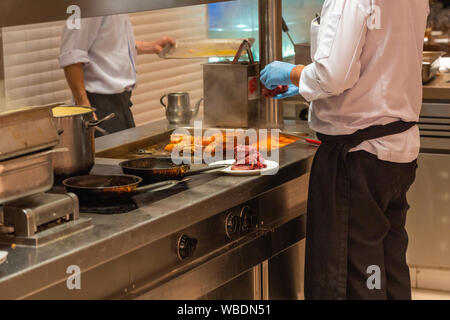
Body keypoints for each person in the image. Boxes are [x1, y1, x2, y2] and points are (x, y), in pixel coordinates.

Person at [260, 0, 429, 299]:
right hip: (395, 151)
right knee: (385, 268)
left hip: (358, 159)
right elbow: (379, 58)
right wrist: (306, 85)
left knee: (355, 280)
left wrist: (292, 72)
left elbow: (333, 75)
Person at [59, 14, 175, 135]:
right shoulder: (88, 5)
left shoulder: (116, 7)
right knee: (107, 153)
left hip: (120, 103)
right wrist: (85, 107)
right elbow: (71, 54)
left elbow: (111, 44)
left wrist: (151, 46)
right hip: (98, 106)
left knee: (130, 151)